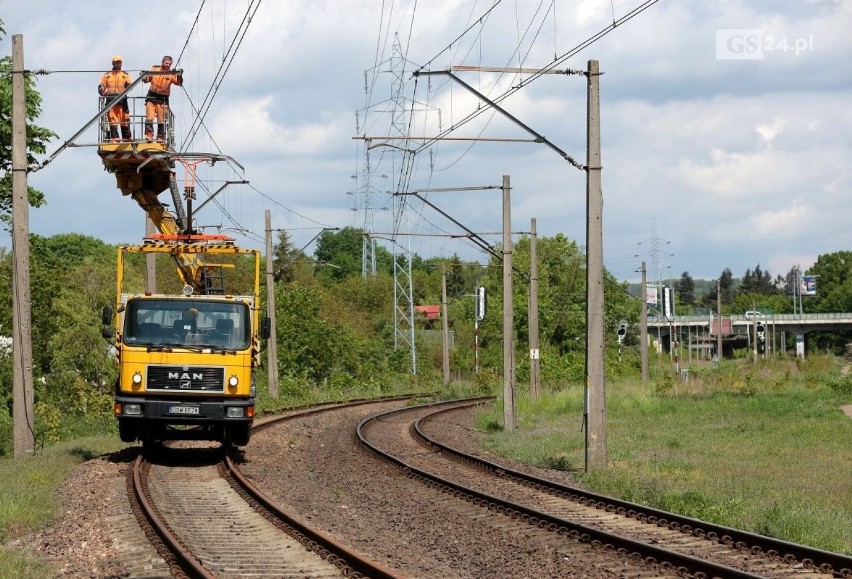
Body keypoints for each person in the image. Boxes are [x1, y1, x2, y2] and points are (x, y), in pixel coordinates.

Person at [143, 55, 183, 142]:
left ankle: (160, 137)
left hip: (162, 99)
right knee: (149, 117)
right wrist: (144, 77)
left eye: (169, 64)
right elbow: (147, 79)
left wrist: (180, 75)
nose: (168, 65)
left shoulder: (172, 73)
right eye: (166, 63)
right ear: (162, 62)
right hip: (151, 96)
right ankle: (149, 135)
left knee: (161, 120)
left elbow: (178, 83)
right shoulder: (155, 69)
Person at [98, 55, 133, 141]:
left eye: (120, 62)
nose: (118, 64)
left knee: (124, 120)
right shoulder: (107, 75)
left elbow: (130, 85)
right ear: (113, 63)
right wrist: (103, 92)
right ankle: (115, 138)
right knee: (112, 120)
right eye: (116, 62)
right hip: (111, 100)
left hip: (122, 101)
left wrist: (129, 86)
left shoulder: (125, 75)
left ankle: (127, 139)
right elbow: (101, 86)